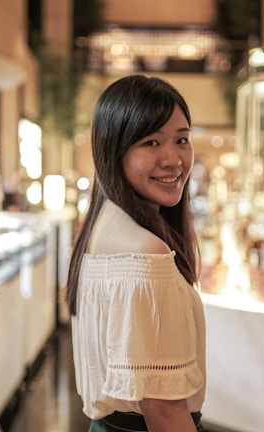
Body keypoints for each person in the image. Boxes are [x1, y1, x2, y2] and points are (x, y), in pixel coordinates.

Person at [65, 75, 206, 432]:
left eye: (182, 140)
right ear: (114, 150)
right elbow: (164, 411)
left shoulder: (102, 227)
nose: (173, 159)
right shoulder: (144, 253)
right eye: (151, 142)